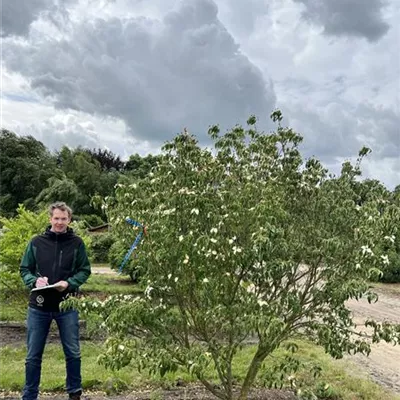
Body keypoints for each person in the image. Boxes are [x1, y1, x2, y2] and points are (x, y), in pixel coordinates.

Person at [20, 202, 91, 400]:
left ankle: (74, 393)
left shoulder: (77, 243)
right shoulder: (36, 242)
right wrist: (34, 280)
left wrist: (69, 283)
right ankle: (30, 395)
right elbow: (25, 269)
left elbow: (85, 270)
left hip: (67, 305)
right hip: (39, 306)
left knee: (73, 353)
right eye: (56, 218)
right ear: (50, 219)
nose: (60, 222)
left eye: (64, 219)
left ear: (69, 220)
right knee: (33, 355)